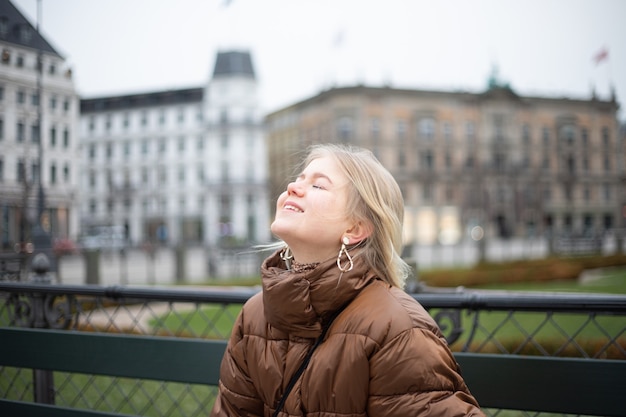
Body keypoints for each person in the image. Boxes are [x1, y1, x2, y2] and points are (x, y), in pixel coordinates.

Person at [211, 144, 485, 417]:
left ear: (355, 229)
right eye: (298, 180)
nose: (292, 188)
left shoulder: (397, 328)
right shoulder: (254, 315)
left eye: (318, 186)